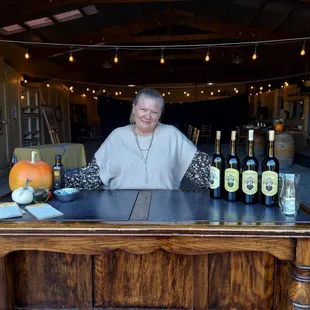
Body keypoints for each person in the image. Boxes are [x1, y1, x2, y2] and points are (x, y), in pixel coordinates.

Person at [65, 88, 211, 190]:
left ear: (160, 114)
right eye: (143, 109)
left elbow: (203, 171)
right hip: (119, 213)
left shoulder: (172, 135)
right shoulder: (117, 136)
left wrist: (228, 174)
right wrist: (56, 177)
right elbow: (92, 175)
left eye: (154, 112)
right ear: (134, 108)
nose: (148, 116)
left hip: (165, 211)